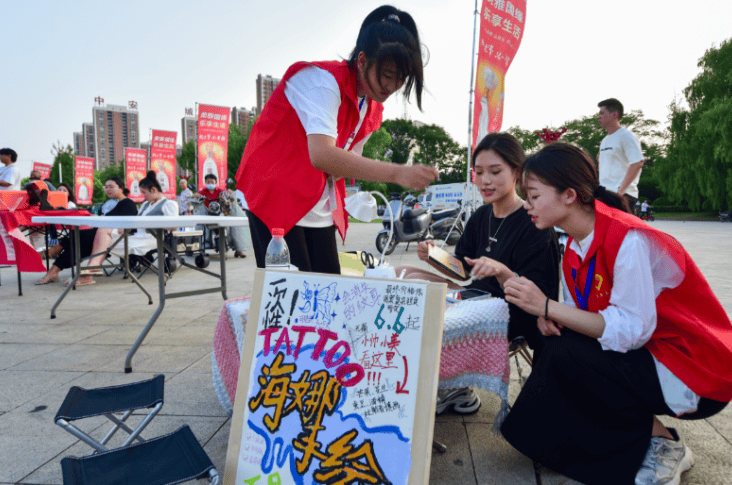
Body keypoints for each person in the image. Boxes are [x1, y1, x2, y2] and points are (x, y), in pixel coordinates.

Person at [499, 143, 732, 485]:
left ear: (569, 195)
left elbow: (631, 330)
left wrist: (548, 307)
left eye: (534, 195)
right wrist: (550, 318)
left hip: (692, 368)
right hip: (653, 356)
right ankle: (586, 439)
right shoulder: (574, 246)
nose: (527, 205)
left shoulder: (627, 238)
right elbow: (582, 316)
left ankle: (662, 442)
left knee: (569, 353)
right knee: (556, 345)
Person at [236, 5, 437, 273]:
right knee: (292, 297)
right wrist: (397, 173)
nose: (392, 87)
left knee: (329, 288)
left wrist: (358, 198)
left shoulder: (371, 106)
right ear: (363, 60)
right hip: (274, 192)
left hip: (314, 198)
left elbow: (347, 162)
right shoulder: (323, 82)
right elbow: (323, 155)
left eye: (401, 79)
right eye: (388, 75)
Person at [399, 133, 561, 412]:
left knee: (424, 302)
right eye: (479, 172)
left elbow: (538, 296)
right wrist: (435, 257)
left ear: (517, 172)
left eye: (495, 171)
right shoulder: (481, 216)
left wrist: (501, 271)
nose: (485, 180)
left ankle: (450, 384)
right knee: (405, 274)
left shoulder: (534, 221)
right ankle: (444, 384)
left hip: (511, 311)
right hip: (475, 295)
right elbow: (463, 271)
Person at [36, 177, 137, 285]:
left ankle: (55, 259)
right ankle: (58, 267)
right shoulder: (112, 203)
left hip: (112, 235)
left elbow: (127, 224)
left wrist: (100, 218)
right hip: (101, 232)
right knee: (79, 239)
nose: (108, 189)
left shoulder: (128, 203)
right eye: (106, 187)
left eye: (111, 186)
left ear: (121, 188)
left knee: (80, 238)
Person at [597, 99, 643, 214]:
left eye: (602, 113)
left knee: (621, 232)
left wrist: (620, 192)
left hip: (622, 196)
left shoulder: (626, 136)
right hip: (605, 195)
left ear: (614, 114)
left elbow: (638, 163)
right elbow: (603, 167)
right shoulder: (605, 140)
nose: (598, 116)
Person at [192, 173, 250, 258]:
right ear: (205, 183)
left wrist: (230, 194)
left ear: (216, 182)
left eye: (212, 181)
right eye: (208, 182)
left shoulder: (220, 191)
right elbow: (194, 198)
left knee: (233, 229)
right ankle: (203, 248)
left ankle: (238, 250)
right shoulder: (203, 192)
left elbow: (227, 197)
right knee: (202, 229)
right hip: (208, 215)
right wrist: (195, 195)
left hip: (220, 214)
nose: (210, 183)